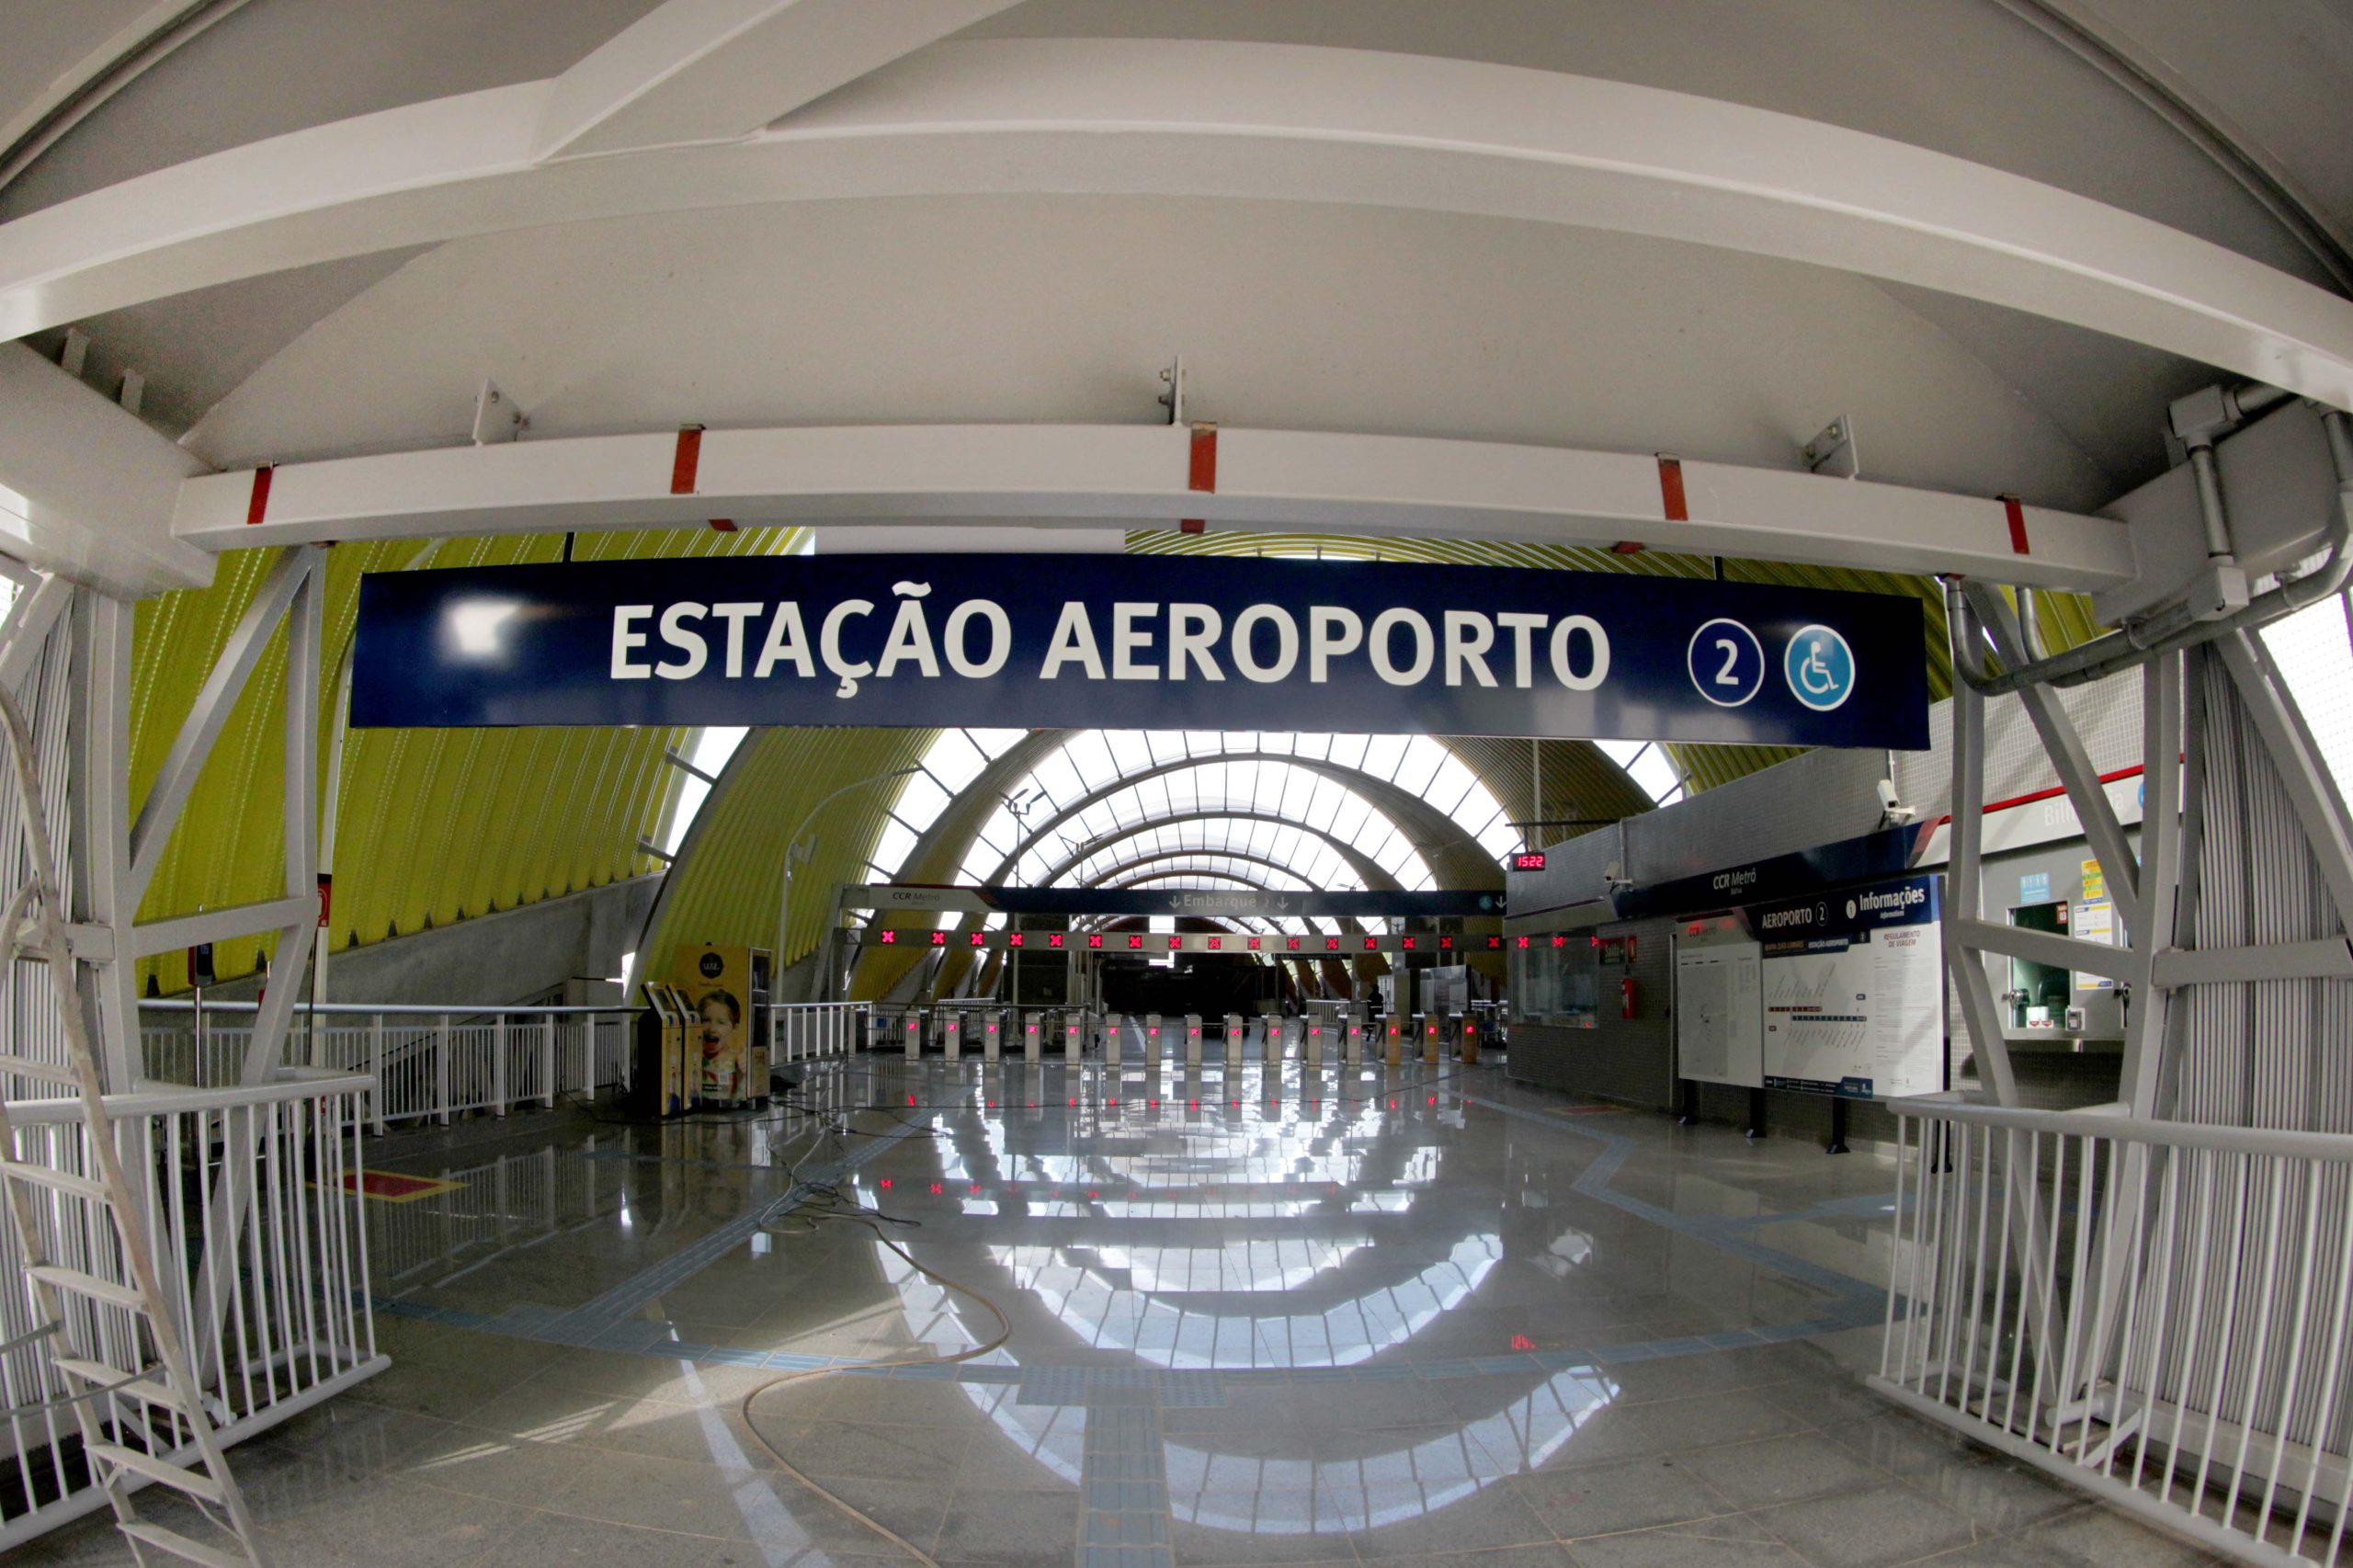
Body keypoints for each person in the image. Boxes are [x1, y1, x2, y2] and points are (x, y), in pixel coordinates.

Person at [697, 988, 742, 1100]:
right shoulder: (690, 1057)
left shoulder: (738, 1061)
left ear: (734, 1027)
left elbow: (738, 1096)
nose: (712, 1029)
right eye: (706, 1020)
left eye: (721, 1022)